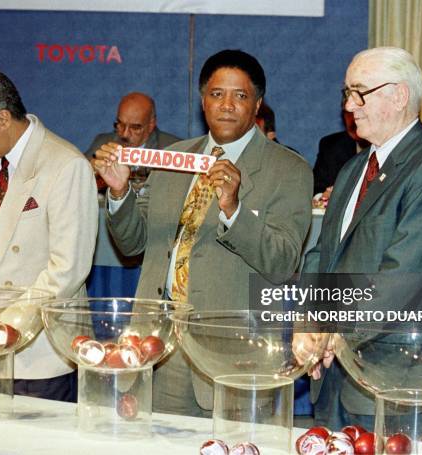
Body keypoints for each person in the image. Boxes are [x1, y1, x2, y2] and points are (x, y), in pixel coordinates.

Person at [92, 49, 313, 416]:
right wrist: (119, 192)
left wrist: (233, 208)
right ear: (202, 101)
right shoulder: (174, 157)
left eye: (239, 96)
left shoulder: (288, 169)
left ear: (257, 105)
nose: (226, 105)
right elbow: (134, 244)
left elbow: (283, 262)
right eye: (216, 94)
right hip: (159, 347)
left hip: (232, 355)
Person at [303, 47, 422, 430]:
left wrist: (331, 335)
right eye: (346, 93)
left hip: (402, 378)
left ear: (398, 95)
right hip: (336, 377)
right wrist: (308, 323)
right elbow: (321, 258)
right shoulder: (352, 170)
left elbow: (401, 279)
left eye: (359, 92)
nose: (349, 105)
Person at [0, 69, 98, 401]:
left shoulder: (65, 165)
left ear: (2, 119)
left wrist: (7, 325)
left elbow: (67, 269)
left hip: (40, 354)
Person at [85, 92, 180, 192]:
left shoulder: (174, 149)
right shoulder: (103, 143)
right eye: (120, 124)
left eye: (135, 127)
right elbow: (78, 177)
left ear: (151, 124)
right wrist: (92, 171)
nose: (125, 134)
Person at [312, 110, 369, 201]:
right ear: (344, 116)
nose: (355, 117)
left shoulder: (390, 143)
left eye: (360, 110)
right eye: (349, 112)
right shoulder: (331, 144)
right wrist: (324, 197)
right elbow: (316, 186)